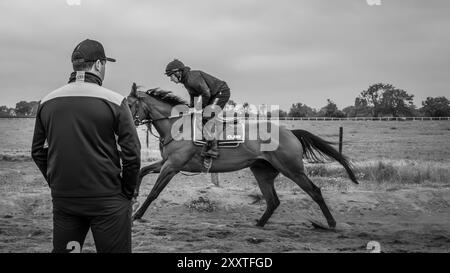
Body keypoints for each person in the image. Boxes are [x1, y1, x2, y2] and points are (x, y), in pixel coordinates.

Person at [31, 39, 141, 253]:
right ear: (99, 64)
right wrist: (126, 192)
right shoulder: (115, 101)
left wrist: (57, 183)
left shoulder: (47, 101)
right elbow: (132, 153)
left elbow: (37, 151)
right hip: (107, 199)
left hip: (65, 198)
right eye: (105, 65)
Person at [165, 59, 231, 158]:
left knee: (206, 116)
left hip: (221, 92)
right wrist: (192, 108)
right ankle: (208, 142)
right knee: (199, 115)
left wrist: (201, 108)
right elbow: (194, 96)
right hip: (213, 94)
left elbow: (206, 93)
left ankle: (214, 148)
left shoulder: (192, 79)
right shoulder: (186, 80)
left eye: (171, 76)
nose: (171, 79)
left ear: (178, 72)